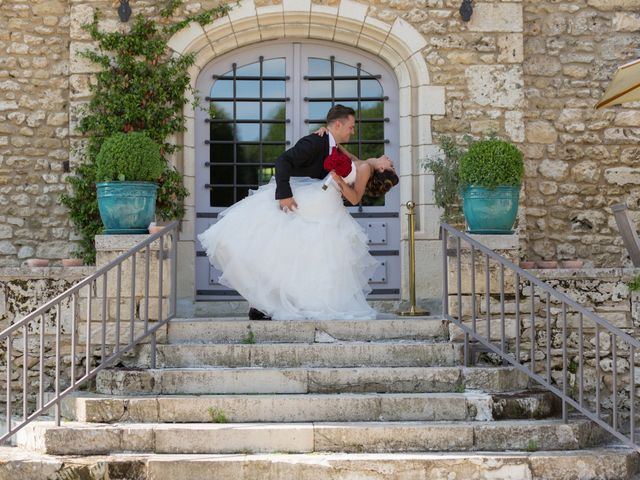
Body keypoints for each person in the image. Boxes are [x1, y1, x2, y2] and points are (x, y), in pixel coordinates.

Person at [197, 105, 398, 321]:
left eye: (391, 165)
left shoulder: (360, 165)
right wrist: (284, 193)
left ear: (383, 170)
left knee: (300, 256)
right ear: (337, 125)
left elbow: (353, 190)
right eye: (350, 126)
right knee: (285, 251)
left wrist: (337, 175)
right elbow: (285, 160)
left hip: (320, 205)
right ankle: (265, 303)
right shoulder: (324, 144)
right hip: (308, 200)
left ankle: (276, 304)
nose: (353, 131)